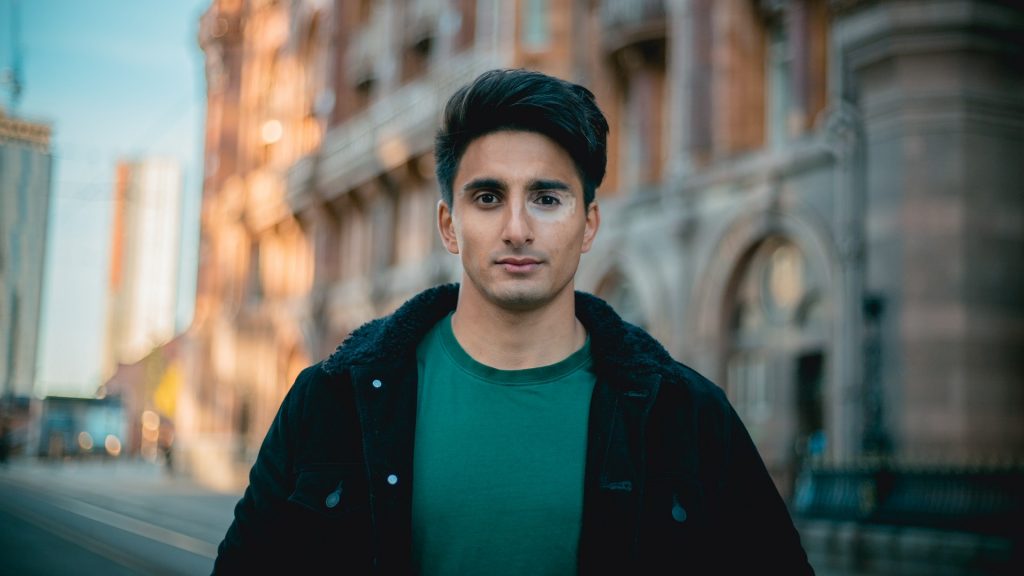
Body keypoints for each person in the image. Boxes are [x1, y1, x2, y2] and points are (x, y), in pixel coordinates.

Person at [212, 68, 814, 575]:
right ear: (450, 225)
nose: (518, 228)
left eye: (547, 198)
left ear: (589, 224)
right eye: (488, 197)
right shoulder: (332, 402)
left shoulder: (685, 417)